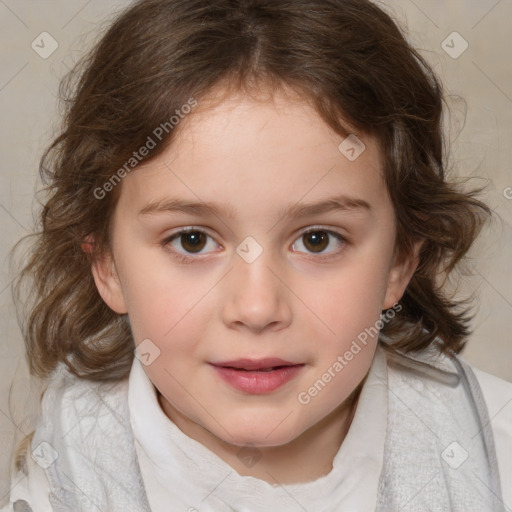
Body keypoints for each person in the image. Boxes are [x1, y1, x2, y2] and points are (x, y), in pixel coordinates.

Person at [3, 0, 511, 510]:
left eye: (317, 240)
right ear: (107, 265)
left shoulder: (494, 452)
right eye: (192, 241)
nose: (257, 308)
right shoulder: (58, 482)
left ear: (399, 261)